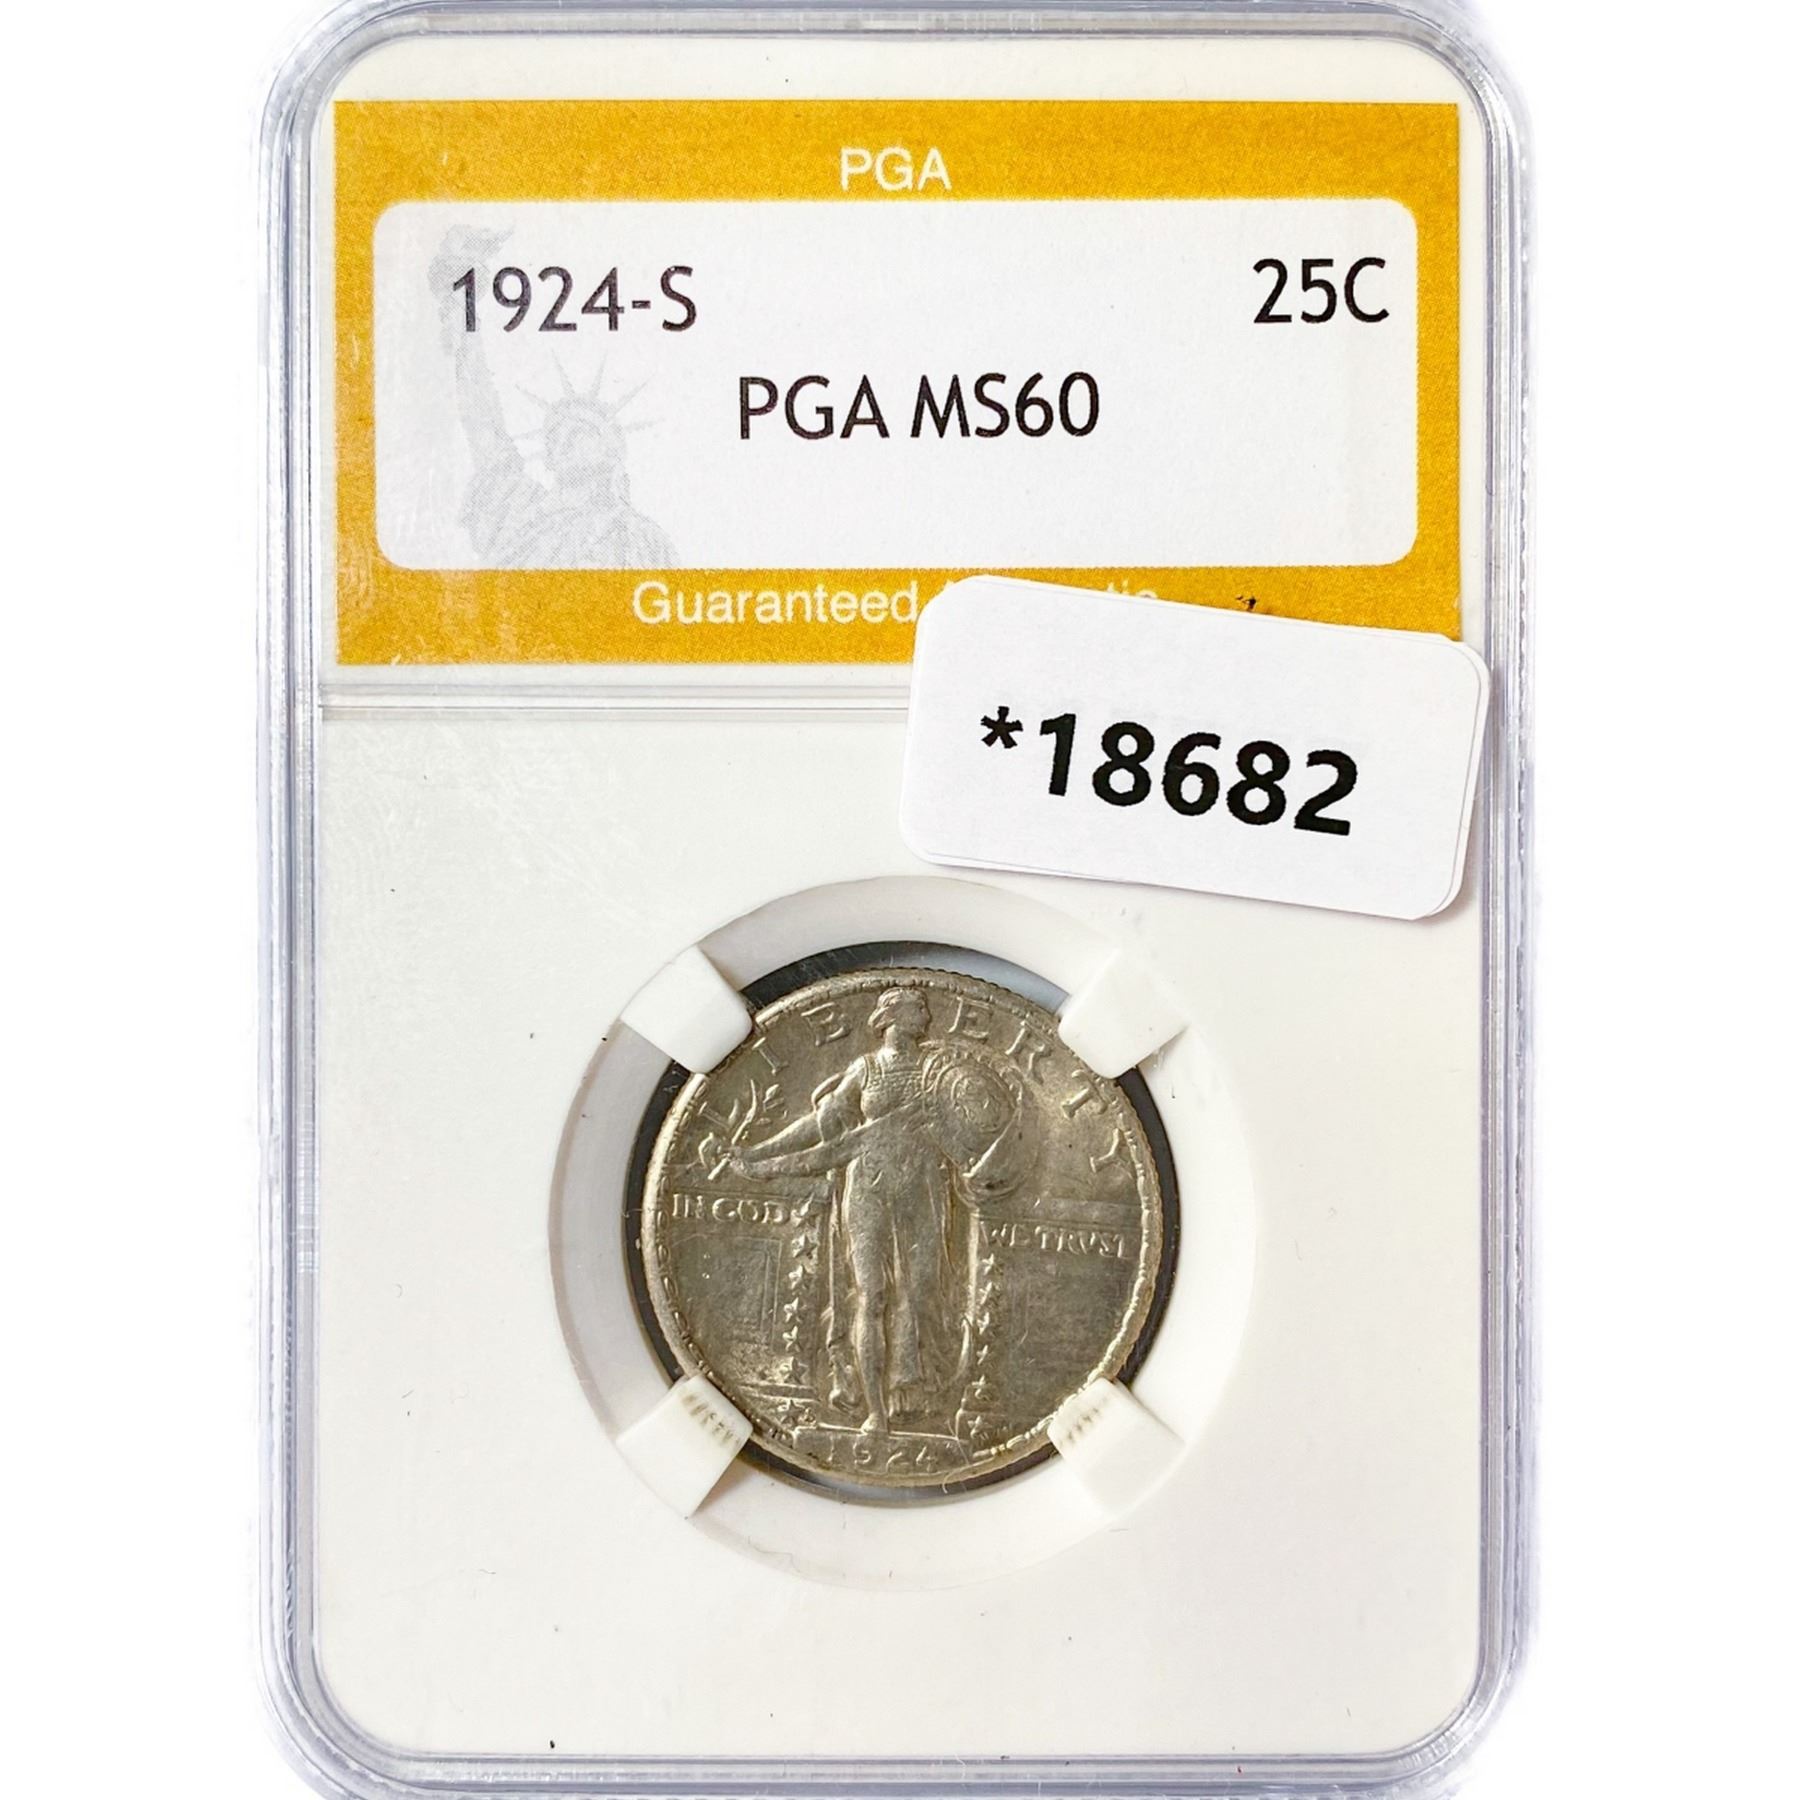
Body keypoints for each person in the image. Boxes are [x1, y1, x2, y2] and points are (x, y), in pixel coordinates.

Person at [727, 988, 1020, 1435]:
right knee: (871, 1295)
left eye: (924, 1009)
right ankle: (876, 1411)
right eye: (917, 1009)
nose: (926, 1016)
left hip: (923, 1188)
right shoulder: (864, 1070)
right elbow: (821, 1125)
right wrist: (760, 1152)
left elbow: (973, 1125)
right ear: (891, 1016)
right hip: (867, 1187)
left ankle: (912, 1392)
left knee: (920, 1293)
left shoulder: (938, 1071)